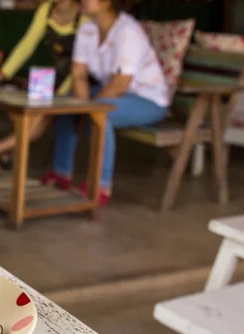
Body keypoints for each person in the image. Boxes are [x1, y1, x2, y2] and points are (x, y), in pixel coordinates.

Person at [44, 0, 169, 205]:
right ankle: (61, 173)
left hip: (147, 101)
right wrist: (81, 105)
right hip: (113, 95)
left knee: (100, 113)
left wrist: (90, 108)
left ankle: (100, 185)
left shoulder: (127, 32)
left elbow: (120, 84)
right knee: (67, 105)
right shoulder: (87, 29)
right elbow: (79, 75)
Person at [0, 0, 87, 179]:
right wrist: (4, 74)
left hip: (80, 81)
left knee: (43, 116)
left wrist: (60, 95)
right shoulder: (46, 10)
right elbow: (28, 44)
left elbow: (80, 66)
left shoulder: (84, 17)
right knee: (27, 111)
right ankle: (7, 155)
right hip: (56, 78)